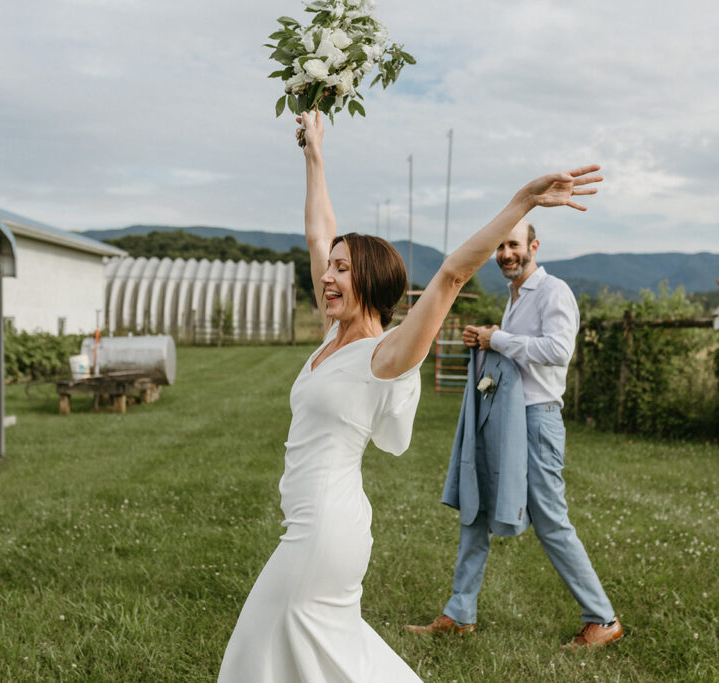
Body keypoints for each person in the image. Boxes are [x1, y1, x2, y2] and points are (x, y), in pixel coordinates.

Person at [217, 109, 603, 681]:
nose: (327, 275)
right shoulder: (333, 336)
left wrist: (522, 200)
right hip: (307, 522)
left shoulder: (386, 355)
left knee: (260, 651)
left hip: (325, 530)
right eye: (329, 267)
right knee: (315, 655)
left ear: (369, 281)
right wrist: (314, 155)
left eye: (342, 269)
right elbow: (319, 231)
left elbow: (451, 275)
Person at [406, 219, 623, 650]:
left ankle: (602, 618)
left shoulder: (553, 291)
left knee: (550, 520)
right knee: (477, 507)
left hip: (537, 421)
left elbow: (559, 351)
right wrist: (486, 340)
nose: (506, 253)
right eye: (500, 246)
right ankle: (459, 613)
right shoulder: (514, 298)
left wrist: (499, 338)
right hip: (503, 417)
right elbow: (513, 349)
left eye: (514, 244)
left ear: (534, 246)